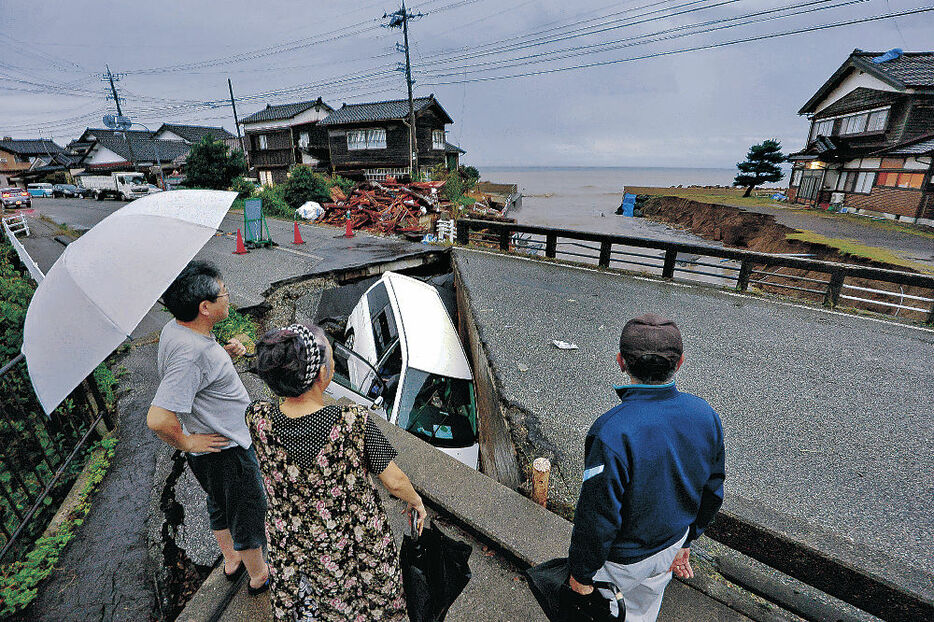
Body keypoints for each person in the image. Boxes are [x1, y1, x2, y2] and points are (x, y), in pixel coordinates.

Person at [246, 322, 427, 621]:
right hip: (354, 539)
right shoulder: (352, 421)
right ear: (321, 375)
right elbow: (394, 481)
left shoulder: (257, 417)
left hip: (292, 539)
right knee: (370, 602)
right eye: (330, 358)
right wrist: (416, 501)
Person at [567, 313, 725, 621]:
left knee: (610, 611)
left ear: (621, 362)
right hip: (671, 544)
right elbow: (712, 489)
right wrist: (688, 540)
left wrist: (581, 575)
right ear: (679, 364)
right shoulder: (705, 415)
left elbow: (597, 515)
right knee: (644, 609)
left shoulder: (611, 431)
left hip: (623, 559)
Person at [146, 260, 270, 594]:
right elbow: (157, 418)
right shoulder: (194, 353)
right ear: (205, 307)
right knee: (246, 511)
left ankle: (231, 561)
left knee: (219, 503)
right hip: (226, 449)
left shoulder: (179, 329)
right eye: (224, 293)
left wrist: (224, 355)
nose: (228, 297)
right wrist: (186, 442)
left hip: (211, 450)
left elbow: (194, 375)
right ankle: (258, 576)